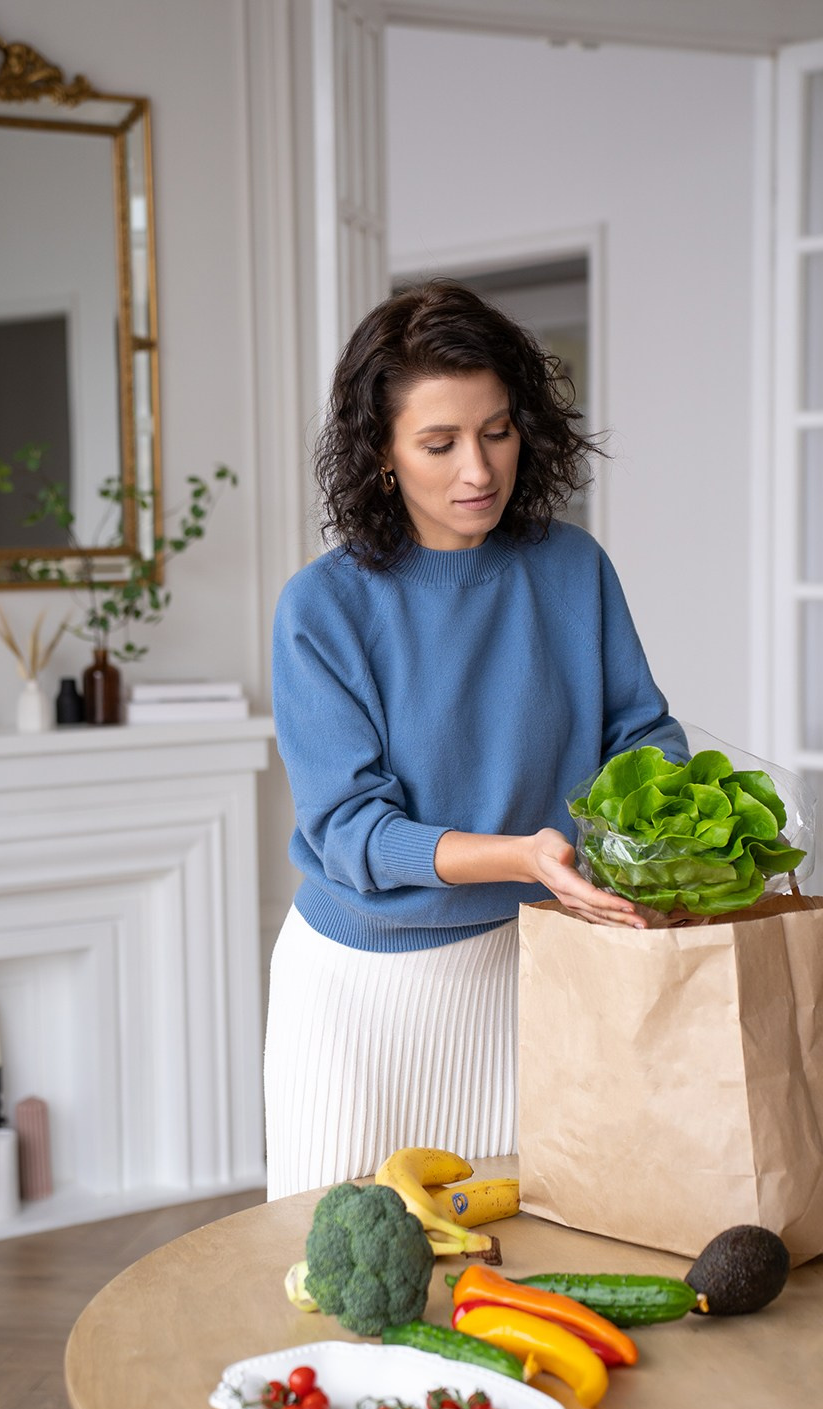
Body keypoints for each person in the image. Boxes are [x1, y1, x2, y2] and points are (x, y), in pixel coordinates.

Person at [265, 281, 683, 1200]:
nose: (478, 471)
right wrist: (527, 855)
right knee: (337, 1270)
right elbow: (353, 832)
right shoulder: (323, 608)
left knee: (514, 1255)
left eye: (496, 430)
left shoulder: (573, 567)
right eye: (439, 443)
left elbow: (640, 733)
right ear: (383, 454)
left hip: (527, 967)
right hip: (358, 997)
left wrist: (675, 838)